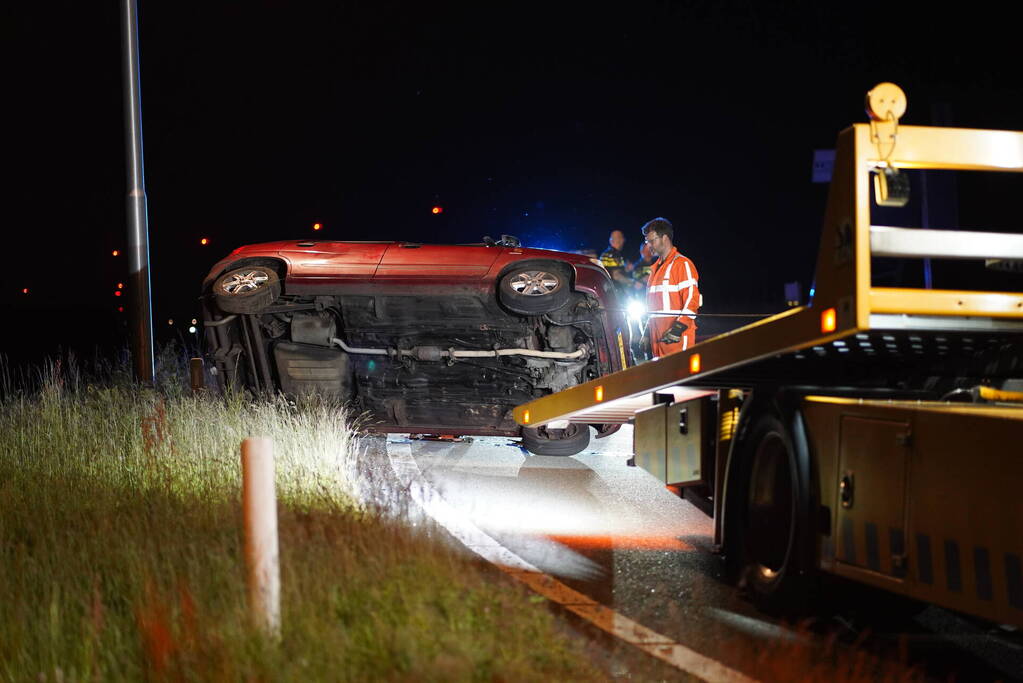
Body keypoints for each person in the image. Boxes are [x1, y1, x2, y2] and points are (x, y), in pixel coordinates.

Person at [641, 217, 700, 357]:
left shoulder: (682, 264)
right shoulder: (654, 270)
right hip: (657, 342)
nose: (648, 246)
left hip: (676, 341)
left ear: (665, 238)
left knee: (682, 378)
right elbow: (653, 307)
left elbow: (692, 300)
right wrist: (647, 332)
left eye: (652, 241)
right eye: (646, 241)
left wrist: (678, 328)